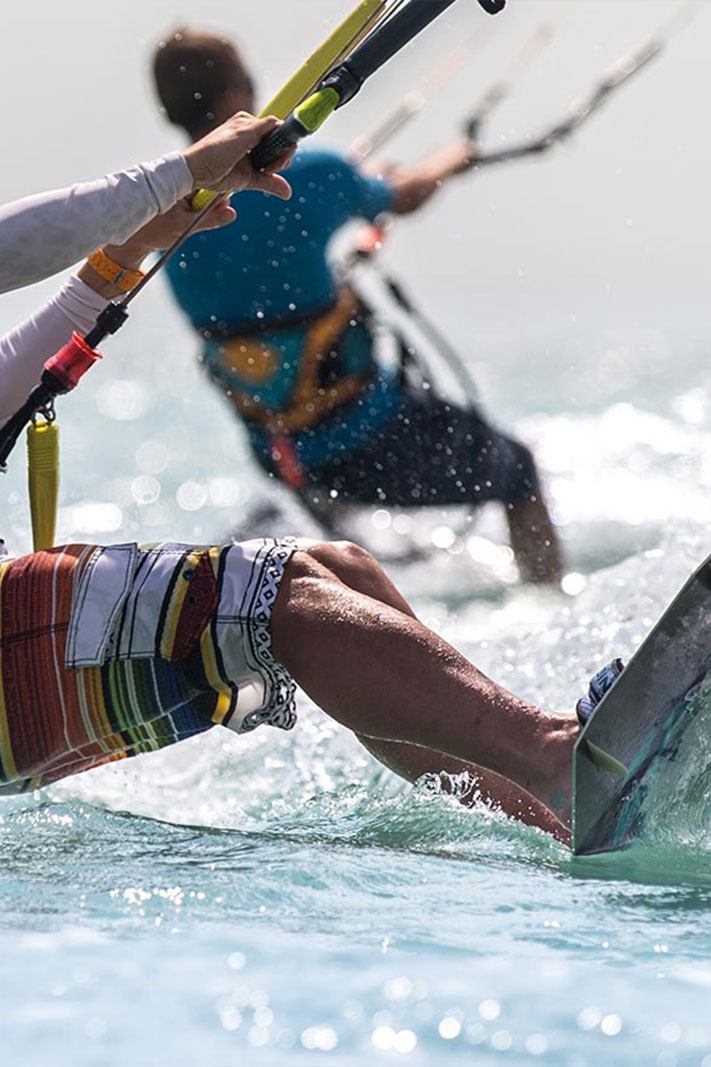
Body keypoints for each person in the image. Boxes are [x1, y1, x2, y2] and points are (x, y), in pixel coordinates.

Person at [0, 107, 583, 849]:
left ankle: (557, 819)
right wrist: (171, 180)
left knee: (340, 573)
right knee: (276, 598)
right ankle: (553, 750)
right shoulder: (322, 176)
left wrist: (119, 260)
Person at [152, 28, 564, 584]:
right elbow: (408, 194)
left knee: (336, 517)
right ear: (232, 101)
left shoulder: (162, 213)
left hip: (283, 456)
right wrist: (452, 156)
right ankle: (549, 605)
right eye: (249, 82)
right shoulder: (310, 176)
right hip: (370, 437)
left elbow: (263, 273)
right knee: (518, 470)